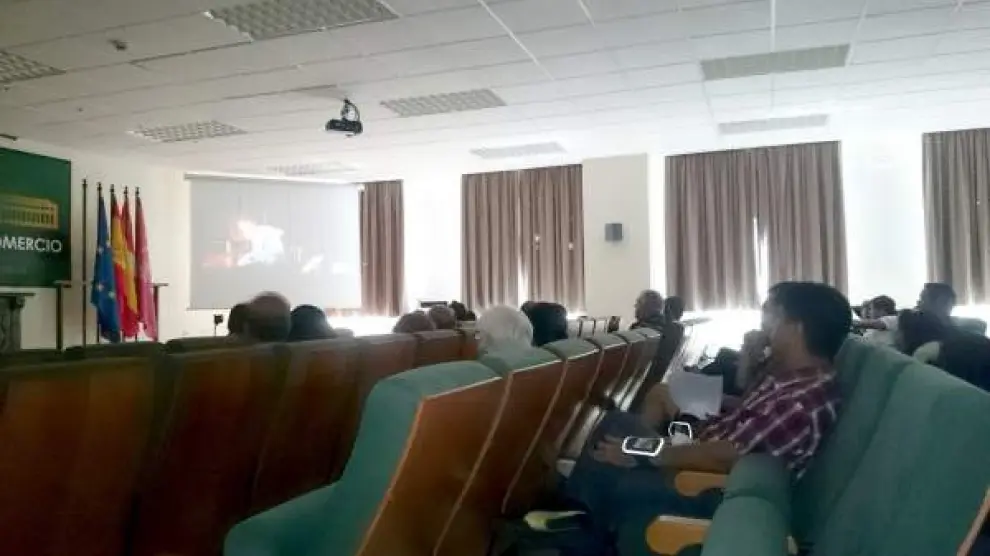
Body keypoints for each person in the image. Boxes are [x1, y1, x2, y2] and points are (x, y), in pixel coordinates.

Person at [538, 282, 849, 556]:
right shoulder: (796, 379)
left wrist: (645, 453)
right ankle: (576, 517)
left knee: (618, 441)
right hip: (709, 455)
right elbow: (745, 417)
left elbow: (725, 456)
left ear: (796, 328)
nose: (767, 326)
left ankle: (575, 524)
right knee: (619, 426)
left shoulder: (802, 400)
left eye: (774, 317)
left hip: (713, 487)